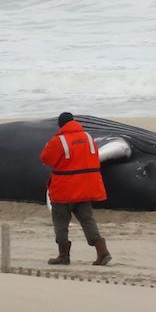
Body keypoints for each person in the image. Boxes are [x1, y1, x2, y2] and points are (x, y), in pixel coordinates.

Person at [39, 112, 111, 266]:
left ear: (60, 125)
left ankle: (63, 255)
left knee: (61, 221)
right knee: (87, 219)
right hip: (85, 187)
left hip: (65, 188)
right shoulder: (88, 138)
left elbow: (46, 158)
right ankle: (102, 251)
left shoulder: (59, 140)